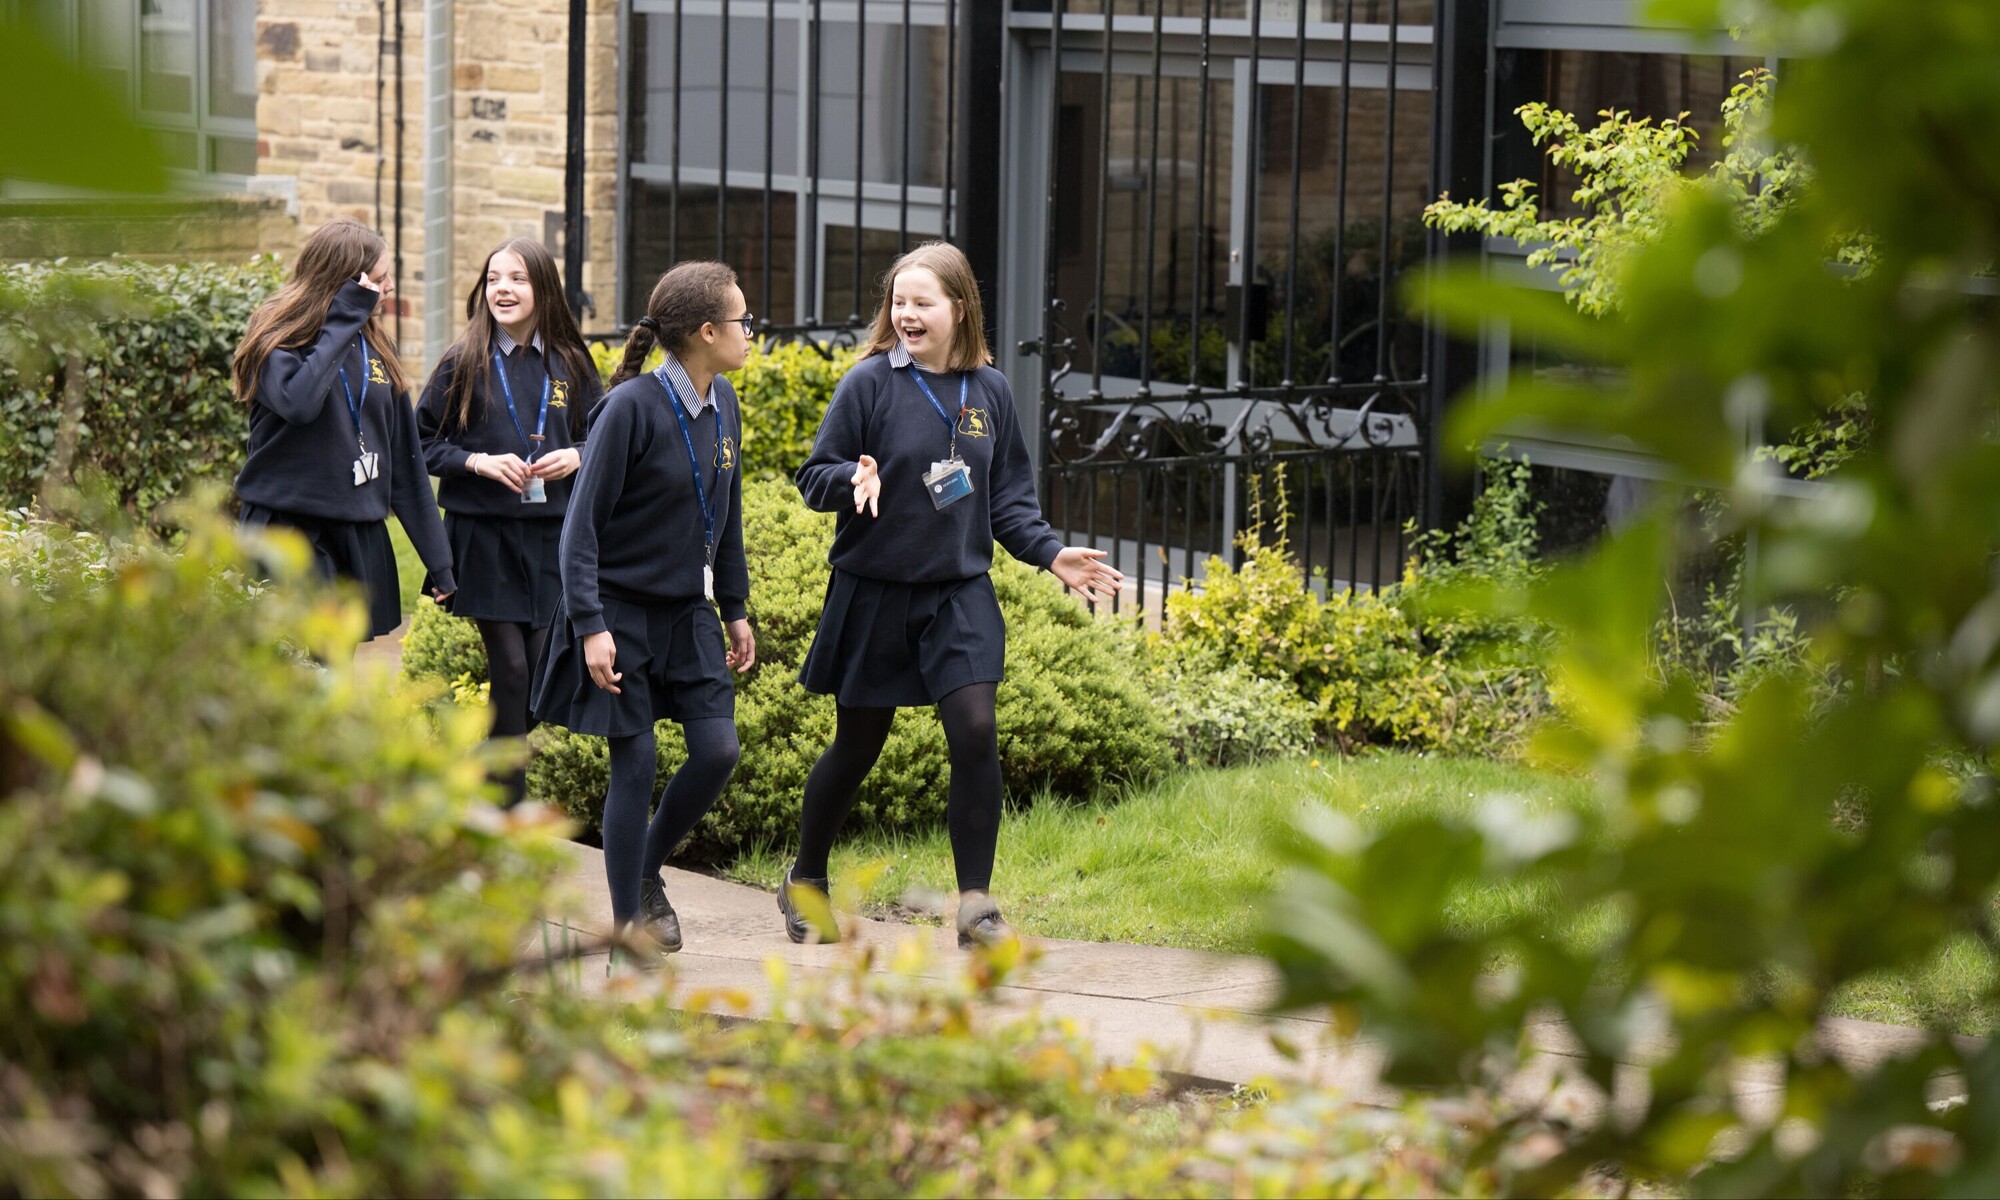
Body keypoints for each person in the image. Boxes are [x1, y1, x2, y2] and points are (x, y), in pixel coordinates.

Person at [784, 241, 1122, 949]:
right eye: (898, 302)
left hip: (958, 595)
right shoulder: (869, 384)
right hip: (874, 592)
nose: (906, 314)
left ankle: (976, 908)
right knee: (858, 745)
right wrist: (852, 479)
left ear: (958, 309)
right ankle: (806, 879)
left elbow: (1010, 503)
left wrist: (1050, 552)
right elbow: (814, 475)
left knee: (974, 731)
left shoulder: (989, 392)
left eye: (922, 303)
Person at [532, 261, 757, 966]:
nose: (752, 333)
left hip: (688, 611)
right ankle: (627, 927)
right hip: (620, 613)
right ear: (706, 331)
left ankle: (644, 868)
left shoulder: (725, 405)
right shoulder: (629, 408)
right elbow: (580, 529)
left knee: (719, 750)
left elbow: (730, 518)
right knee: (636, 762)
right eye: (744, 321)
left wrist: (736, 608)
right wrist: (591, 625)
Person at [417, 239, 601, 806]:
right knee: (514, 672)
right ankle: (509, 811)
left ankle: (477, 774)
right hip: (484, 537)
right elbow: (420, 444)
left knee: (545, 673)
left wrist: (577, 454)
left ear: (542, 288)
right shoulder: (463, 359)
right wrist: (476, 462)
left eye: (517, 278)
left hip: (551, 537)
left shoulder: (570, 360)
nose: (503, 288)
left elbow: (605, 434)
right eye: (494, 277)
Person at [232, 218, 453, 638]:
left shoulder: (377, 347)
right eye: (382, 279)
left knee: (333, 673)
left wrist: (440, 563)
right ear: (350, 283)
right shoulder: (278, 335)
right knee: (297, 672)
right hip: (287, 531)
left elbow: (405, 463)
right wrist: (344, 318)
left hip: (354, 532)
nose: (389, 289)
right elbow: (300, 402)